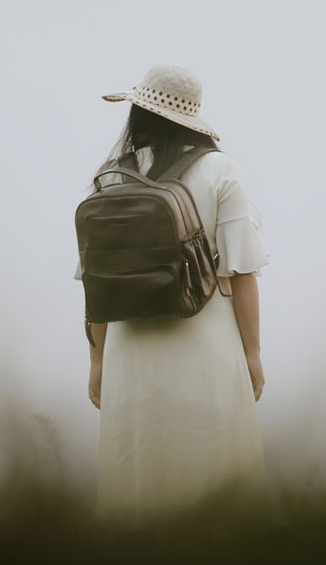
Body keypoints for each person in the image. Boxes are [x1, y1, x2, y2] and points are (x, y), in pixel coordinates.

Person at [74, 63, 271, 534]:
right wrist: (253, 354)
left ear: (139, 113)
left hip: (129, 354)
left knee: (137, 489)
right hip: (205, 344)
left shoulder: (113, 176)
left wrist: (97, 360)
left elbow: (96, 282)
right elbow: (241, 273)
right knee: (214, 489)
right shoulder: (220, 168)